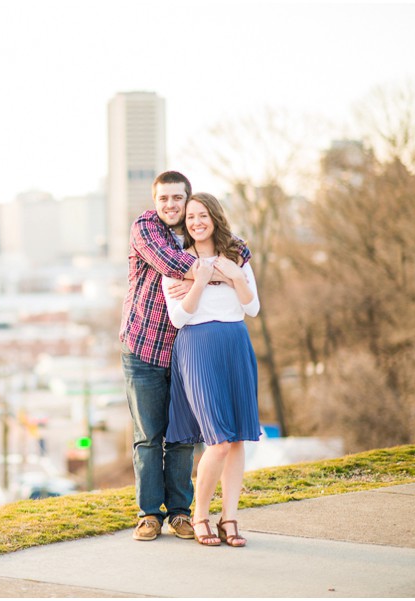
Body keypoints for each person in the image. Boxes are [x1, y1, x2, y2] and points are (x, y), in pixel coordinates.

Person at [119, 171, 250, 542]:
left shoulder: (194, 231)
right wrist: (216, 273)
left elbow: (239, 251)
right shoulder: (146, 227)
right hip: (143, 346)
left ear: (188, 199)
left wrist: (224, 271)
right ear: (155, 201)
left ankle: (180, 512)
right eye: (164, 199)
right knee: (148, 436)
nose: (171, 205)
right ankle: (148, 514)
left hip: (184, 352)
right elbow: (174, 264)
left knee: (181, 437)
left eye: (178, 198)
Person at [161, 191, 261, 547]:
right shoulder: (176, 262)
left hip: (236, 343)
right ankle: (200, 515)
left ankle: (229, 518)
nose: (196, 222)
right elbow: (178, 318)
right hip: (198, 347)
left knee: (236, 440)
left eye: (202, 215)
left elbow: (253, 309)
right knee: (217, 441)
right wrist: (199, 281)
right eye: (190, 217)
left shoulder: (237, 256)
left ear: (215, 217)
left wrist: (235, 277)